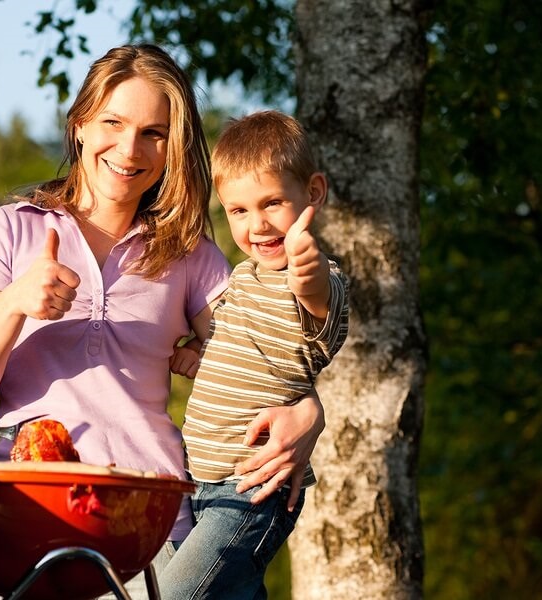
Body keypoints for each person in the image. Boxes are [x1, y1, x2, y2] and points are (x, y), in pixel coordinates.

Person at [0, 45, 327, 597]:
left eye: (154, 133)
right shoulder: (10, 229)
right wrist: (13, 302)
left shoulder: (189, 253)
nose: (129, 148)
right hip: (28, 521)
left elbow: (265, 357)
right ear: (79, 127)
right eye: (112, 123)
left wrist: (310, 408)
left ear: (173, 148)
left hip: (152, 532)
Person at [158, 110, 350, 599]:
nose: (257, 225)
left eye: (272, 203)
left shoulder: (316, 278)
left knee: (172, 594)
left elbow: (314, 303)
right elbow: (243, 351)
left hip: (250, 492)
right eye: (238, 210)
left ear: (313, 193)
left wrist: (307, 273)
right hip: (198, 482)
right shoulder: (242, 278)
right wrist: (199, 356)